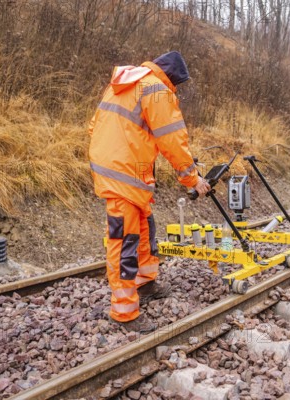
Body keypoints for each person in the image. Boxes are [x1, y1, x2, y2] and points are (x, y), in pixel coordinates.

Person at [88, 51, 211, 331]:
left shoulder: (126, 82)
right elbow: (172, 140)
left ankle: (144, 284)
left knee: (143, 227)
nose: (175, 91)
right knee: (124, 242)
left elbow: (95, 126)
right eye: (176, 86)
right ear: (172, 79)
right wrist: (192, 179)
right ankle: (124, 312)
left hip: (120, 169)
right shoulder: (157, 90)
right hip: (124, 174)